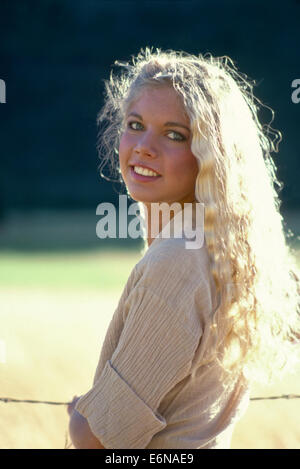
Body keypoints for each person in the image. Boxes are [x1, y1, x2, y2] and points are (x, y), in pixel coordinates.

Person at [67, 48, 300, 449]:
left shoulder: (178, 259)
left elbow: (99, 441)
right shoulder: (225, 248)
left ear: (211, 155)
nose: (143, 146)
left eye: (175, 134)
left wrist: (77, 418)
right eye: (135, 124)